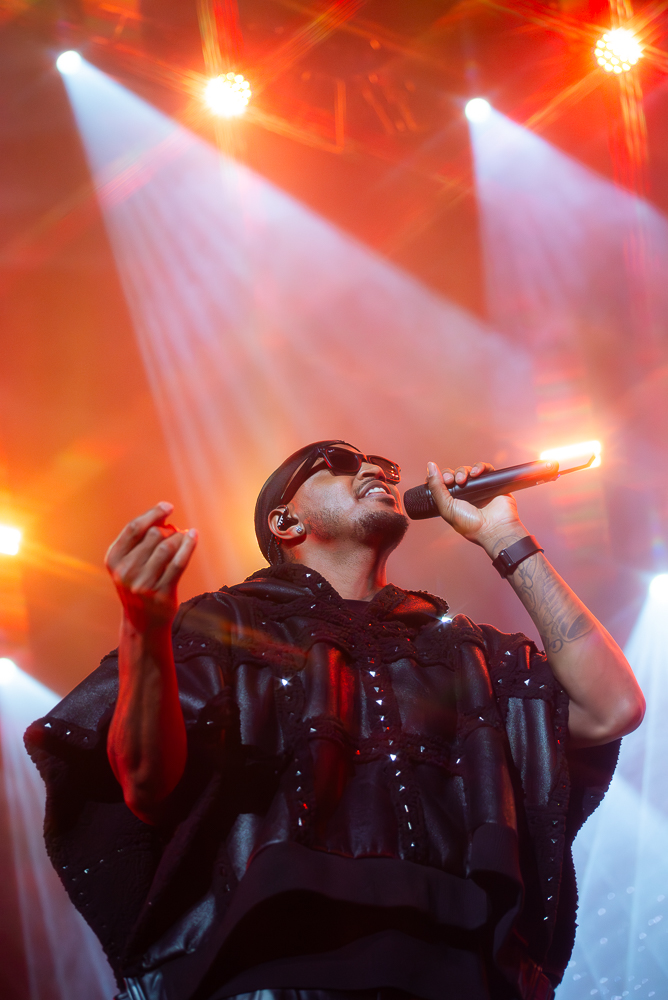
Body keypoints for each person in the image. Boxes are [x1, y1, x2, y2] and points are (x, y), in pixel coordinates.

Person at [25, 440, 644, 1000]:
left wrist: (505, 537)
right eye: (340, 463)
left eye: (383, 465)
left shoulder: (463, 647)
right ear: (286, 522)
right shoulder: (224, 625)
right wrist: (143, 625)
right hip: (276, 975)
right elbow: (145, 782)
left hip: (461, 976)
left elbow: (613, 707)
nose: (375, 468)